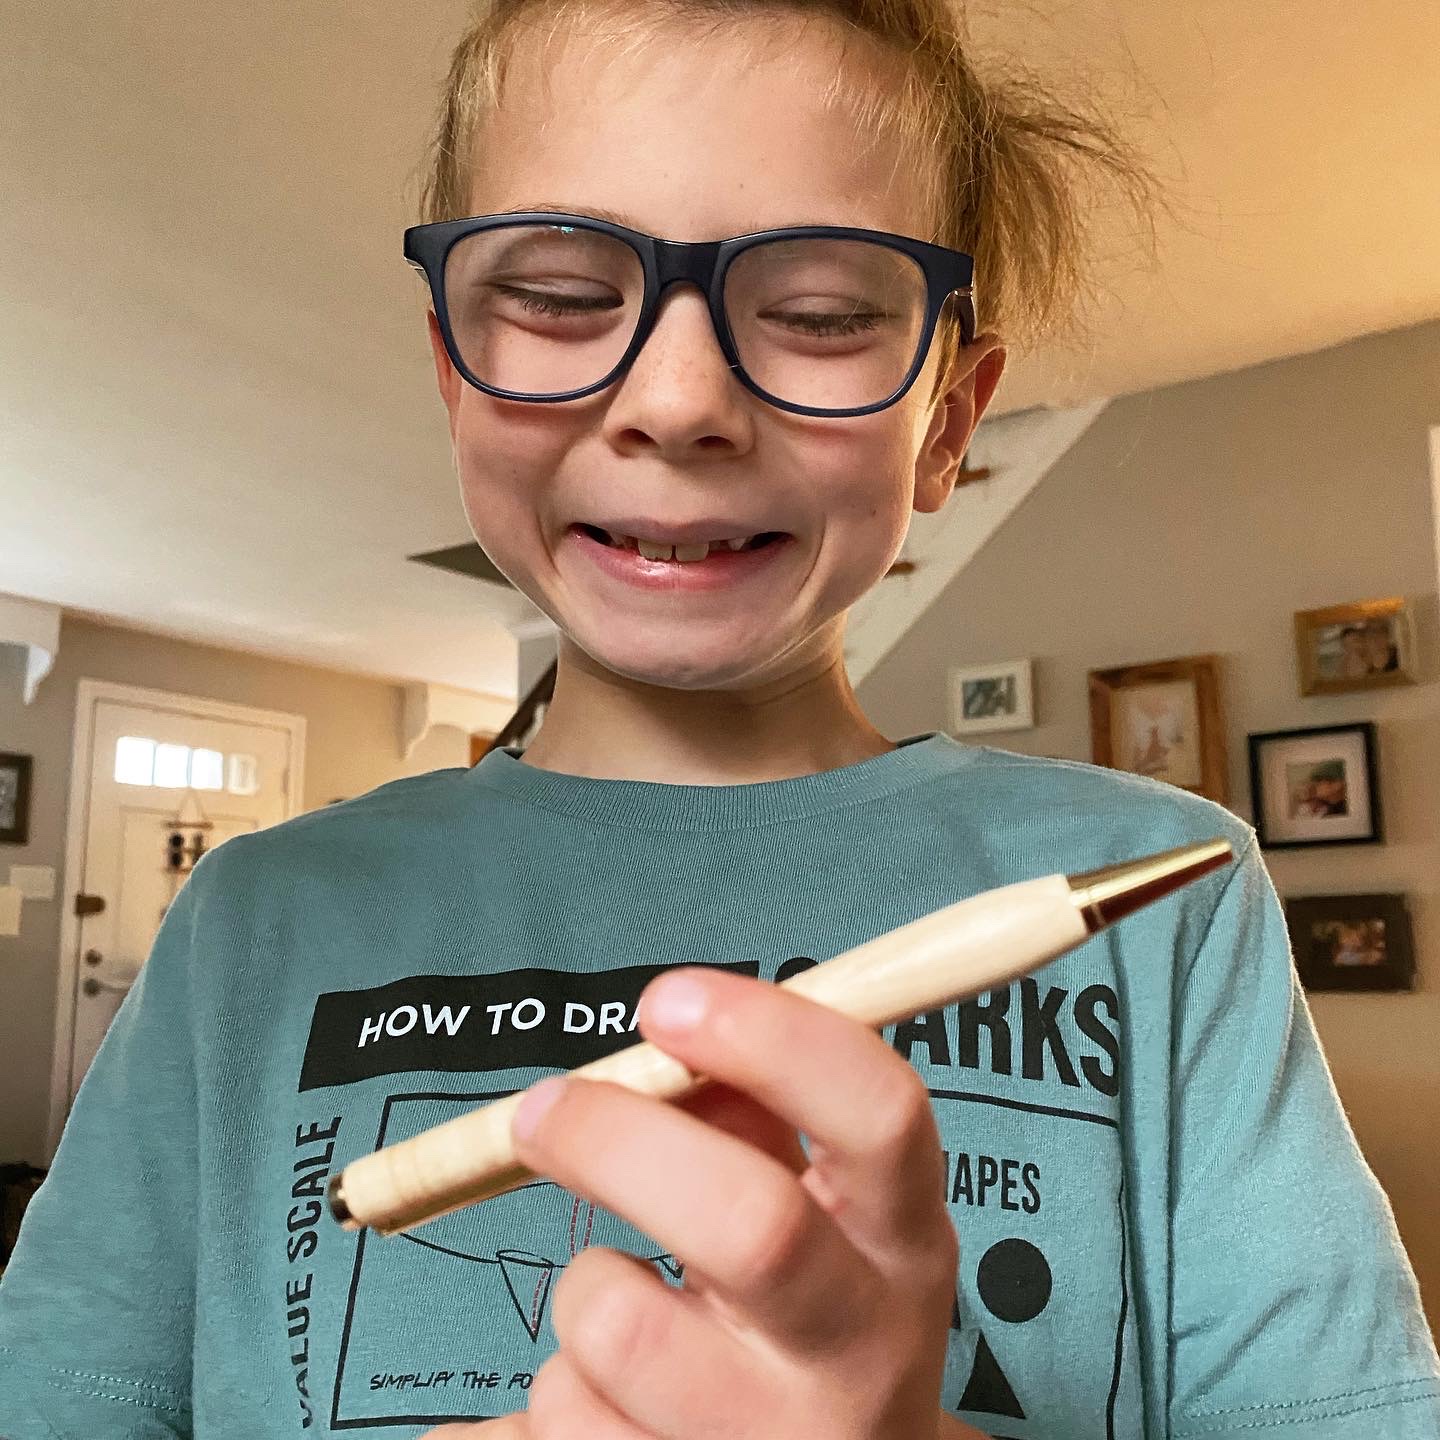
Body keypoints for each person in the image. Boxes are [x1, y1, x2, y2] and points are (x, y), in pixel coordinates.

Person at [3, 3, 1438, 1437]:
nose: (677, 399)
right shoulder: (254, 921)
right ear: (452, 368)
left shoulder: (1173, 906)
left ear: (946, 426)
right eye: (563, 294)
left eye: (820, 314)